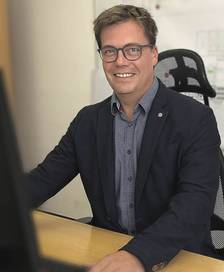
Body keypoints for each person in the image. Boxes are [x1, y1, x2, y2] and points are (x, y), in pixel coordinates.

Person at [27, 4, 221, 272]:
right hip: (109, 251)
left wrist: (138, 255)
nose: (120, 61)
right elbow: (43, 179)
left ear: (153, 54)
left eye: (133, 49)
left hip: (178, 257)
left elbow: (195, 204)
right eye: (109, 51)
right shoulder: (88, 121)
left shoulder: (194, 118)